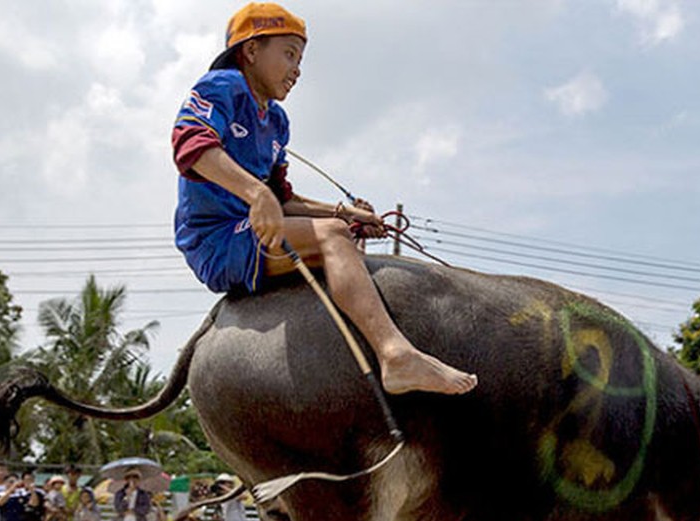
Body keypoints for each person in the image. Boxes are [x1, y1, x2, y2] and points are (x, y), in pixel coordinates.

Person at [172, 3, 477, 397]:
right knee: (333, 237)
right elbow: (189, 145)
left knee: (341, 234)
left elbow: (283, 198)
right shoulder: (222, 86)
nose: (297, 68)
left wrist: (345, 211)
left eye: (300, 58)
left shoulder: (277, 121)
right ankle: (395, 355)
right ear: (251, 51)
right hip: (220, 238)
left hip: (256, 228)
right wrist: (256, 192)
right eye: (288, 54)